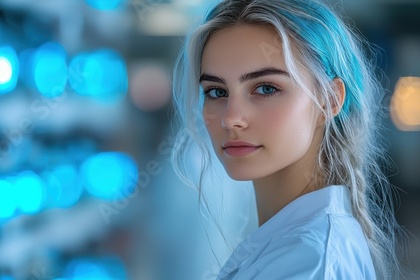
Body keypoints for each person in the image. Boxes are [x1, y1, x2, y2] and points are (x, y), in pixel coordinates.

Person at [171, 0, 403, 279]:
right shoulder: (295, 248)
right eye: (217, 92)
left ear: (329, 100)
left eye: (266, 88)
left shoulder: (310, 263)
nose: (231, 118)